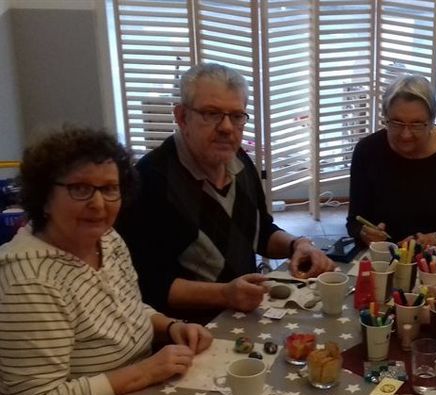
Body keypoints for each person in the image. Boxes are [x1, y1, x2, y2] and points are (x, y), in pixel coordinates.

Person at [0, 127, 211, 395]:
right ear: (44, 197)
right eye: (80, 188)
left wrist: (171, 326)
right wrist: (145, 371)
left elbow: (128, 309)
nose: (99, 204)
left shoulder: (106, 239)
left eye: (109, 188)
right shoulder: (28, 281)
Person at [117, 63, 333, 324]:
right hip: (189, 332)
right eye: (211, 113)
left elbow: (261, 232)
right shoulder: (147, 181)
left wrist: (297, 245)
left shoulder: (240, 161)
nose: (227, 128)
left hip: (246, 315)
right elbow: (147, 285)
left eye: (237, 116)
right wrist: (224, 294)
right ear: (182, 117)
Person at [346, 74, 436, 247]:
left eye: (416, 124)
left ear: (432, 121)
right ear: (385, 117)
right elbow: (354, 221)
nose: (406, 134)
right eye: (396, 123)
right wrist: (364, 232)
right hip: (385, 257)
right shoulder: (367, 151)